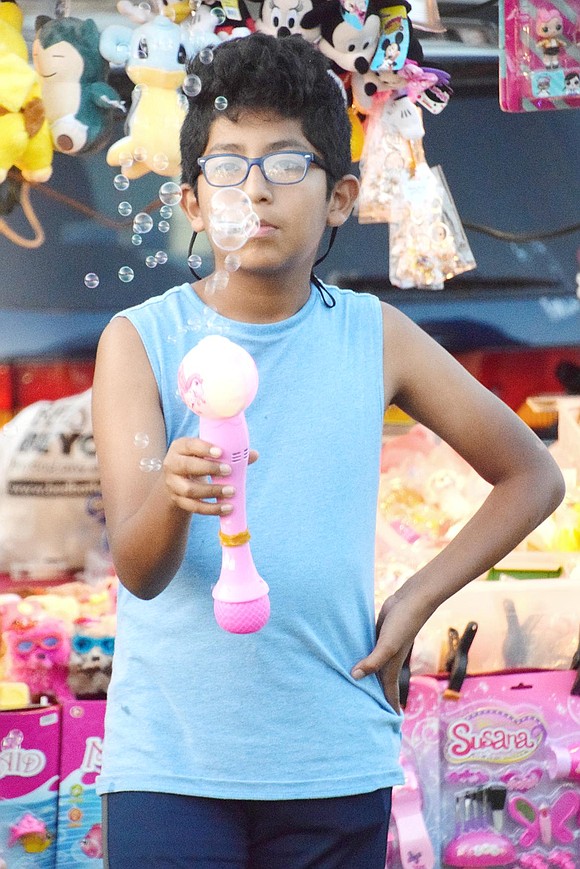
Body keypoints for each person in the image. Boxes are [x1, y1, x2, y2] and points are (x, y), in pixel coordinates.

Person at [91, 32, 565, 869]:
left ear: (342, 196)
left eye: (286, 162)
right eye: (228, 166)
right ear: (194, 203)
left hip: (332, 756)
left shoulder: (376, 337)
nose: (257, 190)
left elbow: (531, 474)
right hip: (171, 767)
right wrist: (172, 488)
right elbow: (140, 569)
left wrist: (414, 601)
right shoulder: (141, 340)